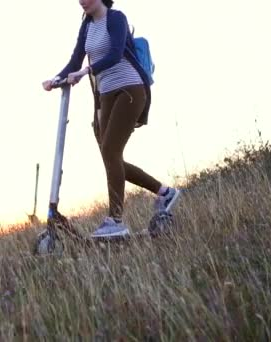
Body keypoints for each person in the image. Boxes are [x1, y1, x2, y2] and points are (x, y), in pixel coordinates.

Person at [41, 0, 180, 238]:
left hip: (130, 89)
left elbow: (115, 54)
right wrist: (56, 78)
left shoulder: (116, 18)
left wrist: (87, 71)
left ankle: (115, 220)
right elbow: (76, 60)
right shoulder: (86, 26)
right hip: (106, 96)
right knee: (111, 158)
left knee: (110, 153)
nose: (82, 1)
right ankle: (165, 192)